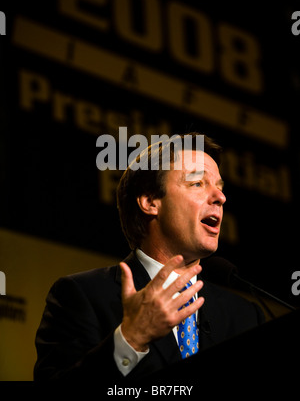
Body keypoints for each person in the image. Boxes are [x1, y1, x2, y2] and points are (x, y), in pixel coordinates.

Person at [33, 133, 264, 382]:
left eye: (218, 187)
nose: (220, 197)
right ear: (150, 201)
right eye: (197, 183)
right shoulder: (82, 295)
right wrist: (131, 339)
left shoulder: (246, 316)